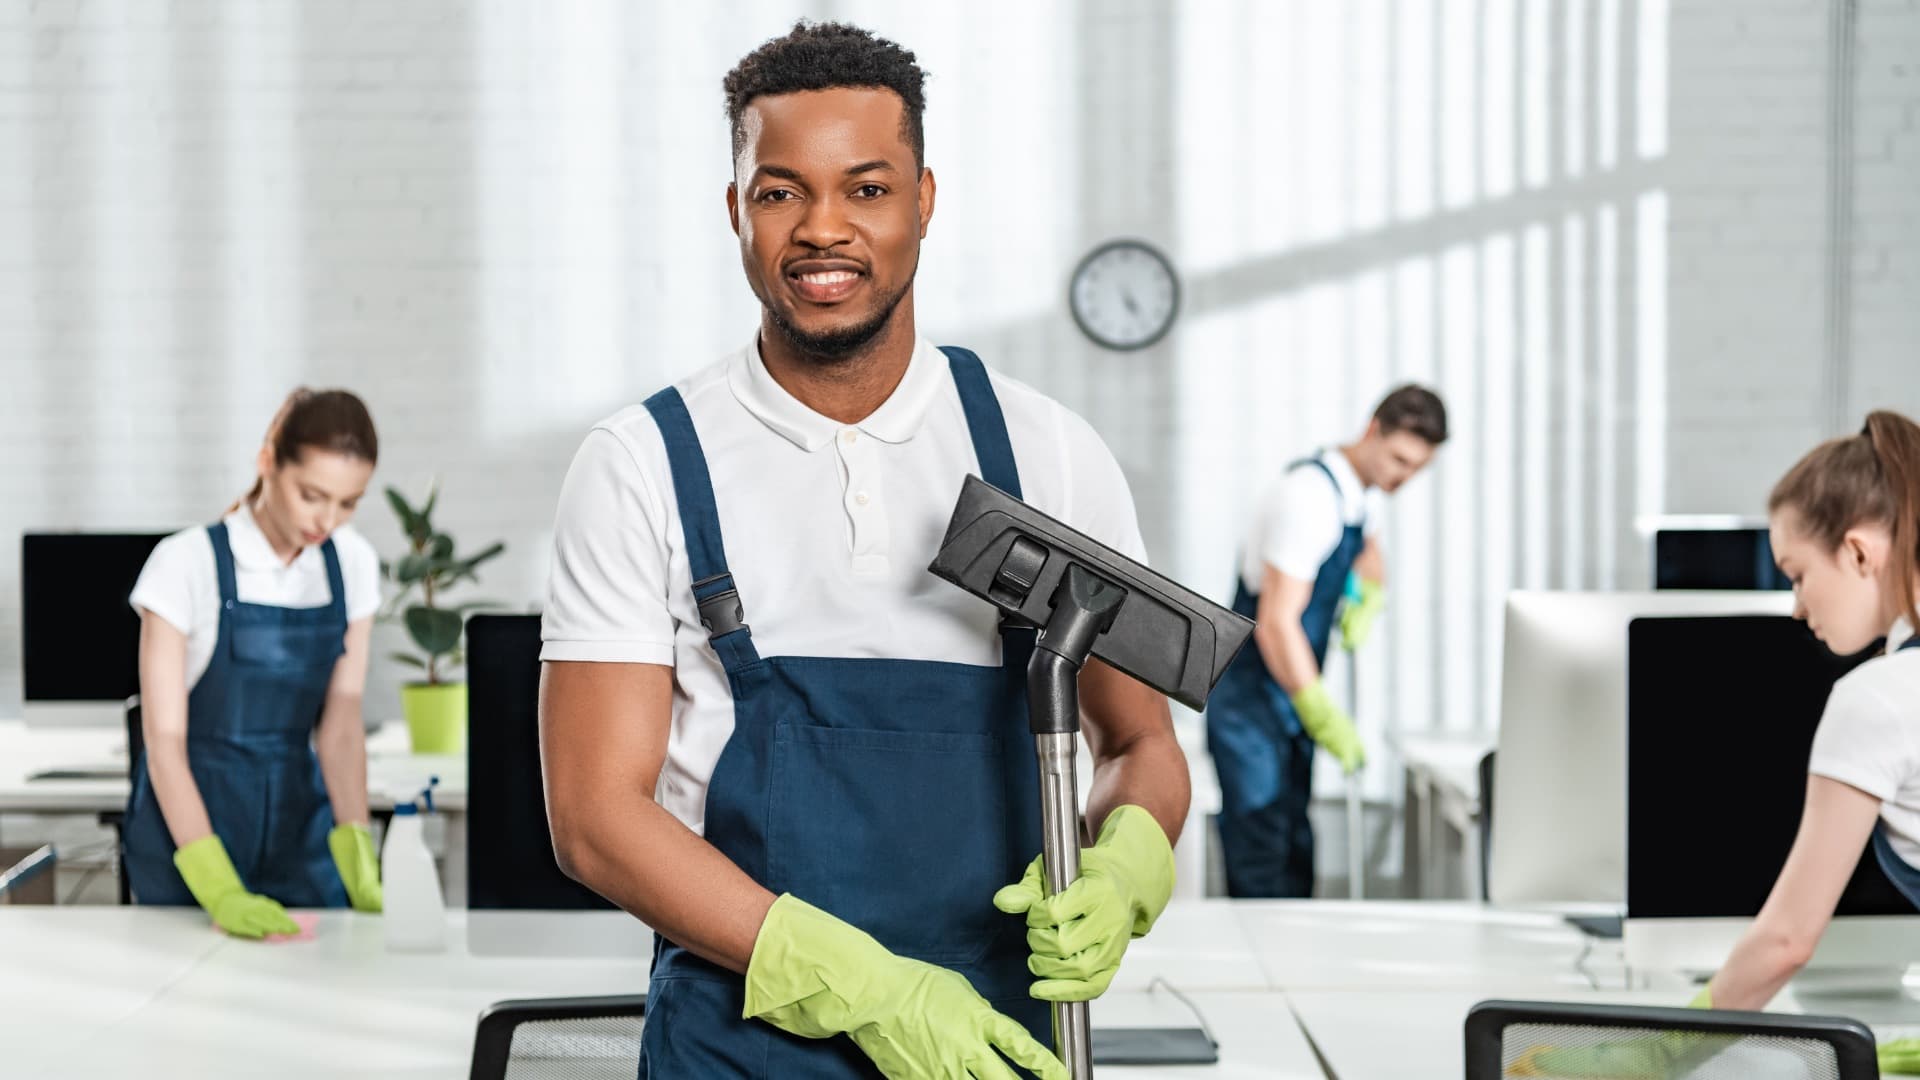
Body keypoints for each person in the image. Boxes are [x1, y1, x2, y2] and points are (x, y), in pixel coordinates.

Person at [538, 21, 1185, 1079]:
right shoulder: (643, 462)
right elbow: (596, 817)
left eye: (868, 190)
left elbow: (1141, 745)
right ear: (737, 210)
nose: (821, 229)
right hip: (734, 1046)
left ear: (925, 199)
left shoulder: (1046, 452)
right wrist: (864, 986)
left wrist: (1123, 867)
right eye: (780, 190)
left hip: (1000, 1042)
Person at [122, 388, 385, 935]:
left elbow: (339, 726)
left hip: (301, 834)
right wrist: (217, 886)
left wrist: (359, 848)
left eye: (348, 502)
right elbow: (164, 746)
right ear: (268, 460)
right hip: (190, 836)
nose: (328, 520)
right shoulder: (185, 564)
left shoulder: (353, 563)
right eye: (312, 495)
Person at [1206, 385, 1447, 898]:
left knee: (1296, 840)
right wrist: (1320, 710)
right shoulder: (1308, 497)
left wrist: (1371, 591)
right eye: (1400, 459)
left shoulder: (1363, 495)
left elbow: (1367, 549)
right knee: (1261, 850)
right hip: (1251, 700)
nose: (1403, 478)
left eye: (1416, 469)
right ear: (1371, 430)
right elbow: (1276, 623)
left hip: (1288, 693)